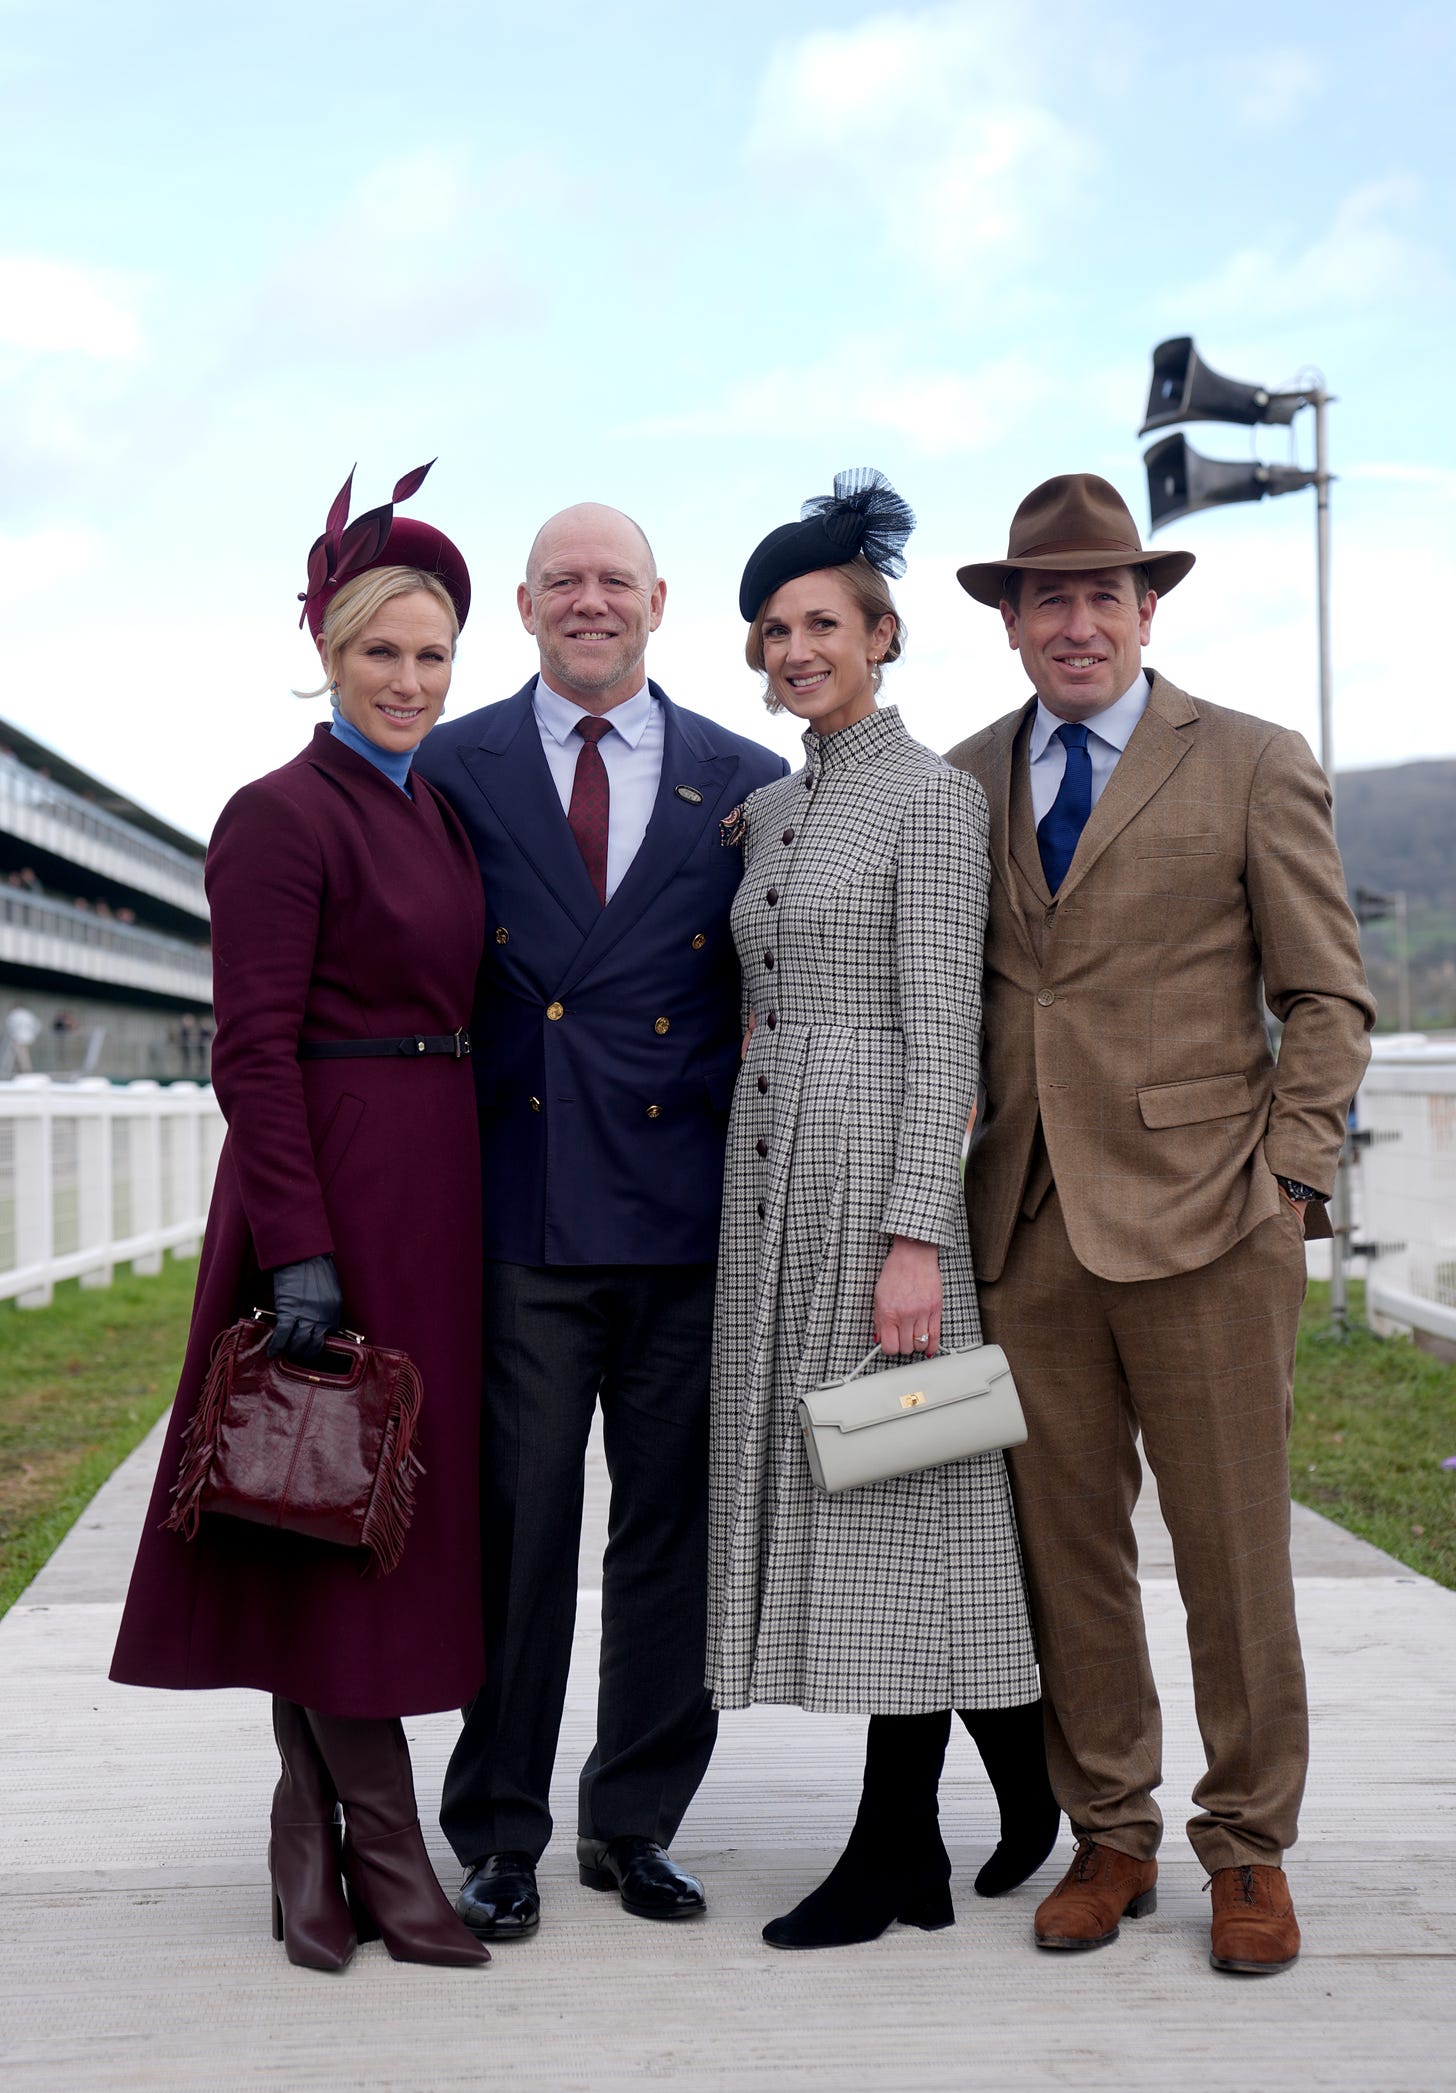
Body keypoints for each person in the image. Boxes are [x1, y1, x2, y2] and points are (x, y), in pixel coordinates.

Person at [947, 473, 1376, 1975]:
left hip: (1211, 1220)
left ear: (1148, 608)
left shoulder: (1252, 761)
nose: (1077, 621)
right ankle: (1111, 1831)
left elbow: (1326, 991)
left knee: (1233, 1555)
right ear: (1009, 623)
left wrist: (1295, 1181)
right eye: (1047, 597)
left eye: (1102, 595)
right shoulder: (962, 777)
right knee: (1066, 1554)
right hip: (1029, 1226)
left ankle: (1248, 1845)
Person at [110, 463, 491, 1972]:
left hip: (435, 1185)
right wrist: (302, 1246)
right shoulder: (276, 814)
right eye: (381, 652)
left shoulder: (438, 810)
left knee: (349, 1504)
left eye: (431, 654)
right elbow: (248, 1045)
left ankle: (302, 1832)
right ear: (327, 657)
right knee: (322, 1504)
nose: (408, 679)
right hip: (327, 1185)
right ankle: (387, 1858)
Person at [413, 501, 787, 1942]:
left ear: (660, 599)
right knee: (516, 1535)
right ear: (521, 604)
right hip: (518, 1212)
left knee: (671, 1540)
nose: (589, 600)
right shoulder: (449, 769)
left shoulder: (749, 784)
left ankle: (634, 1822)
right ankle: (499, 1828)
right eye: (563, 580)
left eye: (612, 580)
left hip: (690, 1219)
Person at [707, 469, 1059, 1952]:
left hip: (874, 1190)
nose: (797, 649)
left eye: (823, 622)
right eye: (775, 628)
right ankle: (993, 1783)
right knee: (848, 1494)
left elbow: (944, 1030)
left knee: (901, 1502)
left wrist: (916, 1232)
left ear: (883, 631)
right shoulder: (772, 807)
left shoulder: (934, 798)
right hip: (767, 1183)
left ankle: (896, 1839)